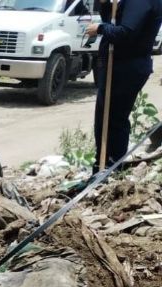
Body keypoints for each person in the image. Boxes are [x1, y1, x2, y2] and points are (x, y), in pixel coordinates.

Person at [86, 0, 162, 170]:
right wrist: (106, 5)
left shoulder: (141, 2)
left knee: (114, 119)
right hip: (120, 65)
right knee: (105, 118)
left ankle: (111, 165)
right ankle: (103, 163)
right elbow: (114, 23)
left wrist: (100, 28)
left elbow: (125, 33)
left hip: (126, 68)